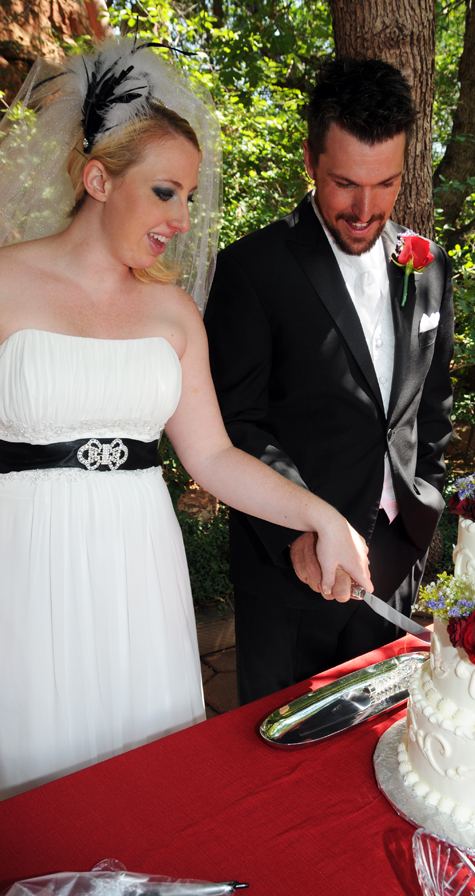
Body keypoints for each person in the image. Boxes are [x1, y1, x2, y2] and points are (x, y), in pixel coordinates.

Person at [0, 41, 373, 800]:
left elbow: (213, 456)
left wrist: (322, 515)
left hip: (138, 558)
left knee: (145, 781)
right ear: (99, 178)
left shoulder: (172, 314)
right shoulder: (5, 283)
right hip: (23, 554)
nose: (182, 219)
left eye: (190, 198)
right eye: (166, 191)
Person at [204, 58, 454, 704]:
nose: (365, 208)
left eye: (386, 184)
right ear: (311, 159)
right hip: (290, 574)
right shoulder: (252, 270)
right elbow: (236, 423)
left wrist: (422, 508)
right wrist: (299, 533)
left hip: (397, 561)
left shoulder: (427, 269)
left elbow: (431, 409)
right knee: (284, 763)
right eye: (345, 183)